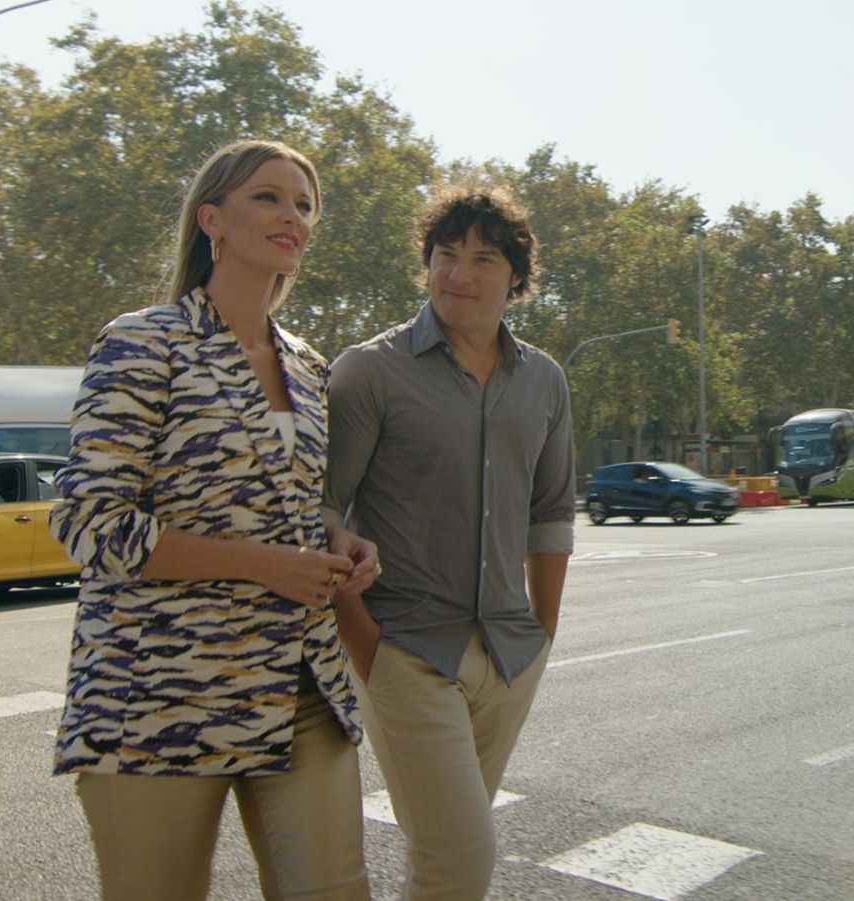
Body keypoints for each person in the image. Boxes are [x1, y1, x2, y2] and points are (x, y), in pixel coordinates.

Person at [49, 139, 380, 901]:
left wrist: (339, 542)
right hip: (157, 692)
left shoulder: (307, 363)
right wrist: (265, 564)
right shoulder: (143, 339)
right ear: (212, 221)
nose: (292, 216)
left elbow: (290, 509)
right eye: (268, 197)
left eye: (303, 204)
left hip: (301, 686)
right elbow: (90, 523)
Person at [325, 184, 575, 900]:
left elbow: (551, 512)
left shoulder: (546, 382)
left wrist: (543, 636)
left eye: (484, 258)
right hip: (407, 650)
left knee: (440, 864)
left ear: (517, 280)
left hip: (508, 656)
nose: (459, 273)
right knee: (462, 857)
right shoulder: (371, 370)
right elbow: (318, 506)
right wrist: (364, 641)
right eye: (446, 255)